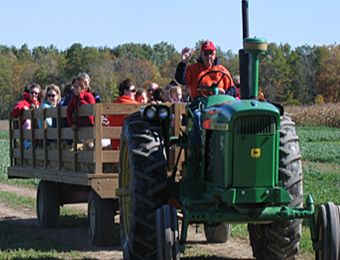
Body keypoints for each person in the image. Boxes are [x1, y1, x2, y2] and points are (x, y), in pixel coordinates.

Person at [107, 78, 138, 150]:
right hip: (131, 148)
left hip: (115, 147)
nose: (135, 93)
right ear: (125, 91)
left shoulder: (111, 106)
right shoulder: (135, 106)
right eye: (133, 90)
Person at [12, 83, 41, 149]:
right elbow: (15, 112)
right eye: (32, 92)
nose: (34, 94)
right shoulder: (24, 102)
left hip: (38, 133)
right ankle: (28, 144)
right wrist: (24, 109)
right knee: (28, 121)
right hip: (27, 135)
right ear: (29, 93)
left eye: (36, 93)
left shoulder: (40, 104)